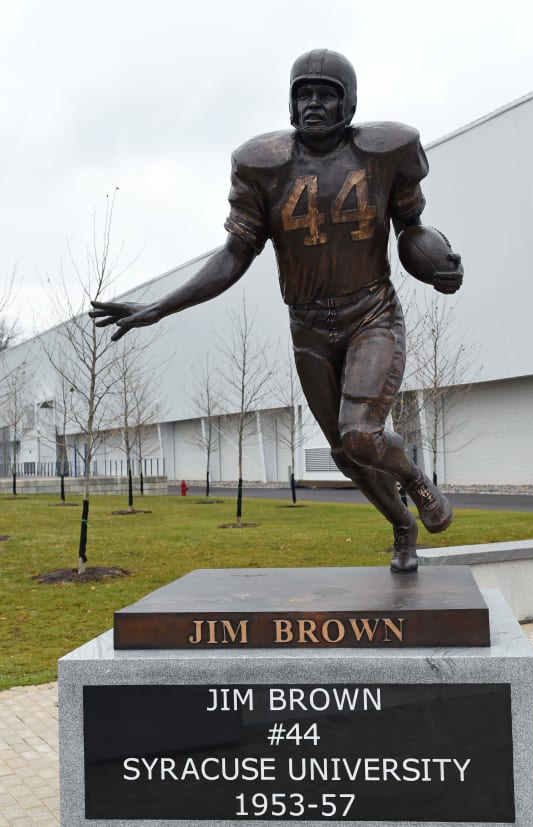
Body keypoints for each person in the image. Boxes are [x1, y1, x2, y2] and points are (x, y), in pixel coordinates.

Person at [91, 49, 463, 573]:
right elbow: (234, 255)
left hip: (369, 313)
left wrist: (436, 260)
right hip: (308, 325)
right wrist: (160, 307)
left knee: (361, 431)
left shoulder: (386, 150)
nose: (313, 103)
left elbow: (411, 226)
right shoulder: (261, 164)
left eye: (326, 93)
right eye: (303, 94)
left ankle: (416, 480)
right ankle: (402, 525)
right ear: (290, 103)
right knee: (344, 452)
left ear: (348, 101)